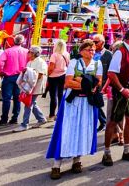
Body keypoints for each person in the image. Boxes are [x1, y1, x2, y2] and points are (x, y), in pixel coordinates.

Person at [46, 39, 102, 179]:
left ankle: (77, 160)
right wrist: (87, 84)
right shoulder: (74, 62)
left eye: (93, 49)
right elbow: (67, 82)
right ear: (82, 51)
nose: (92, 52)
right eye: (89, 49)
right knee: (66, 130)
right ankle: (56, 164)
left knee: (83, 130)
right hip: (73, 102)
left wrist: (80, 81)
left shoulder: (97, 64)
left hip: (87, 103)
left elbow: (98, 83)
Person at [102, 29, 129, 166]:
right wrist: (121, 89)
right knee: (113, 121)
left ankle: (127, 150)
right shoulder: (120, 51)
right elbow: (111, 73)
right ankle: (106, 153)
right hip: (122, 89)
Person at [0, 34, 28, 126]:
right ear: (22, 42)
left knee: (6, 98)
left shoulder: (7, 51)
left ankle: (4, 118)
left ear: (14, 41)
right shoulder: (26, 52)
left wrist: (0, 72)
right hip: (21, 76)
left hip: (8, 76)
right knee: (17, 98)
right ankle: (15, 118)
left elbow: (0, 63)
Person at [14, 46, 48, 132]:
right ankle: (41, 119)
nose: (28, 53)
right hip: (29, 86)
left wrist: (30, 76)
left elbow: (40, 75)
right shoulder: (30, 62)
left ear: (34, 53)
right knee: (32, 103)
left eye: (30, 52)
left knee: (28, 104)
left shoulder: (41, 62)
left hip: (36, 86)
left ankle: (25, 124)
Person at [47, 39, 70, 122]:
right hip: (63, 75)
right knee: (61, 95)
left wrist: (48, 75)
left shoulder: (54, 55)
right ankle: (60, 114)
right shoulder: (66, 54)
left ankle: (51, 114)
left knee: (53, 96)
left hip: (53, 76)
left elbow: (51, 67)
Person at [92, 34, 112, 130]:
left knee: (97, 102)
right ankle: (103, 121)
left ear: (102, 43)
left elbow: (111, 71)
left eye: (96, 42)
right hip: (91, 81)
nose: (94, 44)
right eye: (93, 42)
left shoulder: (108, 55)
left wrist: (107, 85)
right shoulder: (91, 52)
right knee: (95, 102)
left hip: (101, 83)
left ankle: (104, 121)